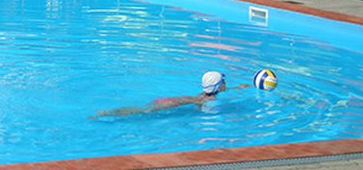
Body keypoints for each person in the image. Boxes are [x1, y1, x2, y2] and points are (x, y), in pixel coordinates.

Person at [91, 71, 248, 119]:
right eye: (223, 81)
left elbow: (219, 90)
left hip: (169, 100)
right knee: (142, 111)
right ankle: (106, 113)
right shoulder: (209, 101)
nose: (225, 83)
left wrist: (237, 87)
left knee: (142, 109)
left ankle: (109, 112)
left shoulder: (204, 94)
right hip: (170, 104)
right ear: (218, 86)